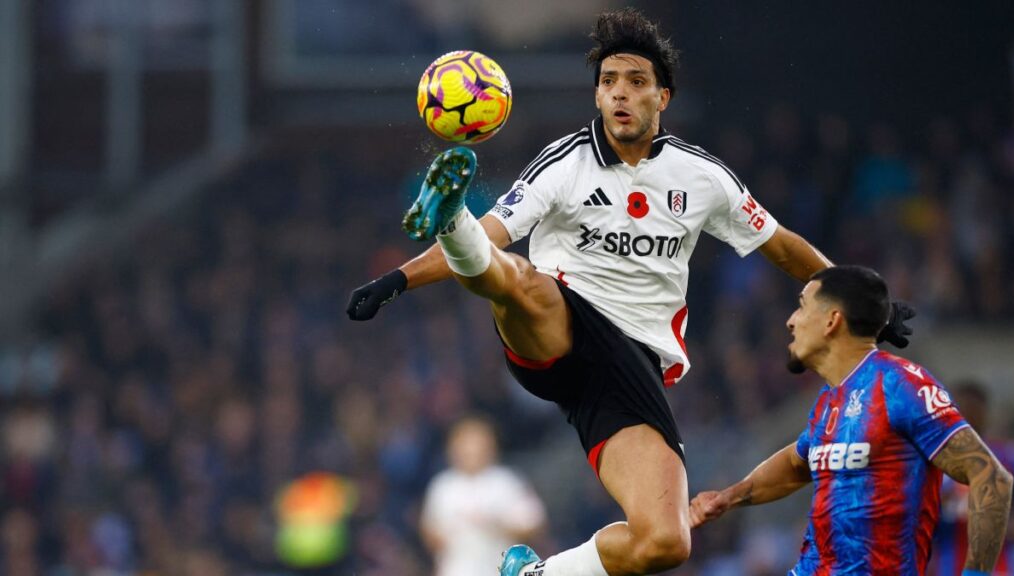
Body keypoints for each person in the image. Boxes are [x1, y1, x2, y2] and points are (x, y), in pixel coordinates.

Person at [348, 9, 913, 576]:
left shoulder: (702, 178)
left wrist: (867, 309)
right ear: (596, 95)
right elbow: (498, 236)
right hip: (560, 326)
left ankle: (535, 574)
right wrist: (398, 279)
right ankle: (451, 220)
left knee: (665, 543)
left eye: (636, 82)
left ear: (662, 97)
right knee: (518, 279)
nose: (620, 94)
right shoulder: (563, 164)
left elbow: (783, 246)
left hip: (631, 369)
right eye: (608, 82)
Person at [688, 266, 1014, 575]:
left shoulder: (900, 384)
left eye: (802, 307)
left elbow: (992, 477)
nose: (790, 321)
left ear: (832, 321)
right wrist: (727, 497)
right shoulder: (830, 399)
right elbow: (797, 461)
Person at [420, 416, 546, 576]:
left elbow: (534, 524)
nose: (471, 451)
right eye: (465, 444)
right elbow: (429, 531)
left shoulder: (507, 482)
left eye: (477, 443)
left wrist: (496, 525)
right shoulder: (443, 486)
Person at [930, 381, 1014, 576]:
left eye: (975, 409)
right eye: (963, 409)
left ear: (985, 413)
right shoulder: (936, 459)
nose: (970, 416)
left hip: (1000, 568)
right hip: (947, 566)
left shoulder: (1009, 456)